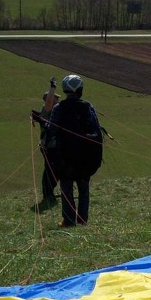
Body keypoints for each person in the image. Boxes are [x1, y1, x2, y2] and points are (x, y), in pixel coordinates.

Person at [49, 74, 103, 227]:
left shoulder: (59, 108)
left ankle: (69, 220)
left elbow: (52, 129)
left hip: (65, 158)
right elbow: (96, 129)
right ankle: (83, 219)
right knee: (83, 189)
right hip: (85, 157)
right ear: (80, 89)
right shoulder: (88, 106)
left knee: (66, 189)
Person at [30, 77, 60, 211]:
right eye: (55, 98)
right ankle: (48, 195)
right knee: (51, 170)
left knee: (54, 170)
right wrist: (53, 87)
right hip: (50, 147)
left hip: (54, 147)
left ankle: (49, 194)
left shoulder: (54, 111)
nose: (58, 100)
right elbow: (49, 101)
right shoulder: (46, 110)